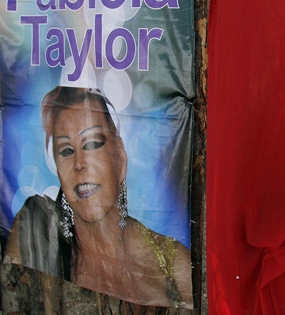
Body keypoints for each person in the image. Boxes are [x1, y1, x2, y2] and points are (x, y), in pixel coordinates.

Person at [3, 86, 193, 309]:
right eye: (66, 151)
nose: (79, 164)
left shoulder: (173, 267)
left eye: (92, 144)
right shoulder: (34, 233)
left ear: (120, 157)